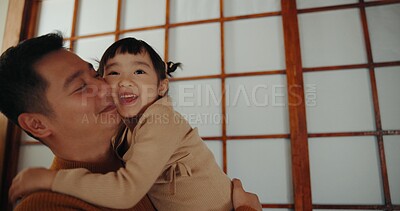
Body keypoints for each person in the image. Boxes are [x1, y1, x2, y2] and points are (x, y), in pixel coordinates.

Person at [1, 33, 262, 211]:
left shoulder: (139, 145)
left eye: (95, 75)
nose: (106, 87)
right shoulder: (46, 205)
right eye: (81, 87)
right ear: (37, 125)